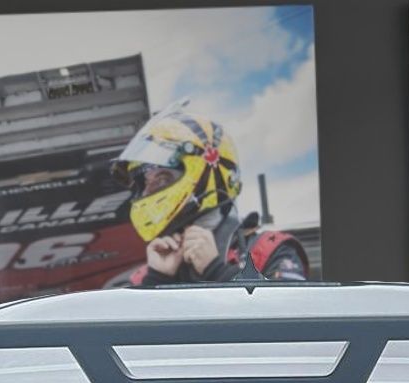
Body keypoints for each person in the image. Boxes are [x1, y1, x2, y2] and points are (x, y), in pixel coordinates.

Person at [109, 100, 309, 286]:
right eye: (145, 183)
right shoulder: (149, 273)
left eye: (162, 179)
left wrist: (216, 271)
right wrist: (157, 280)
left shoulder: (268, 250)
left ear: (203, 174)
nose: (147, 192)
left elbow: (293, 317)